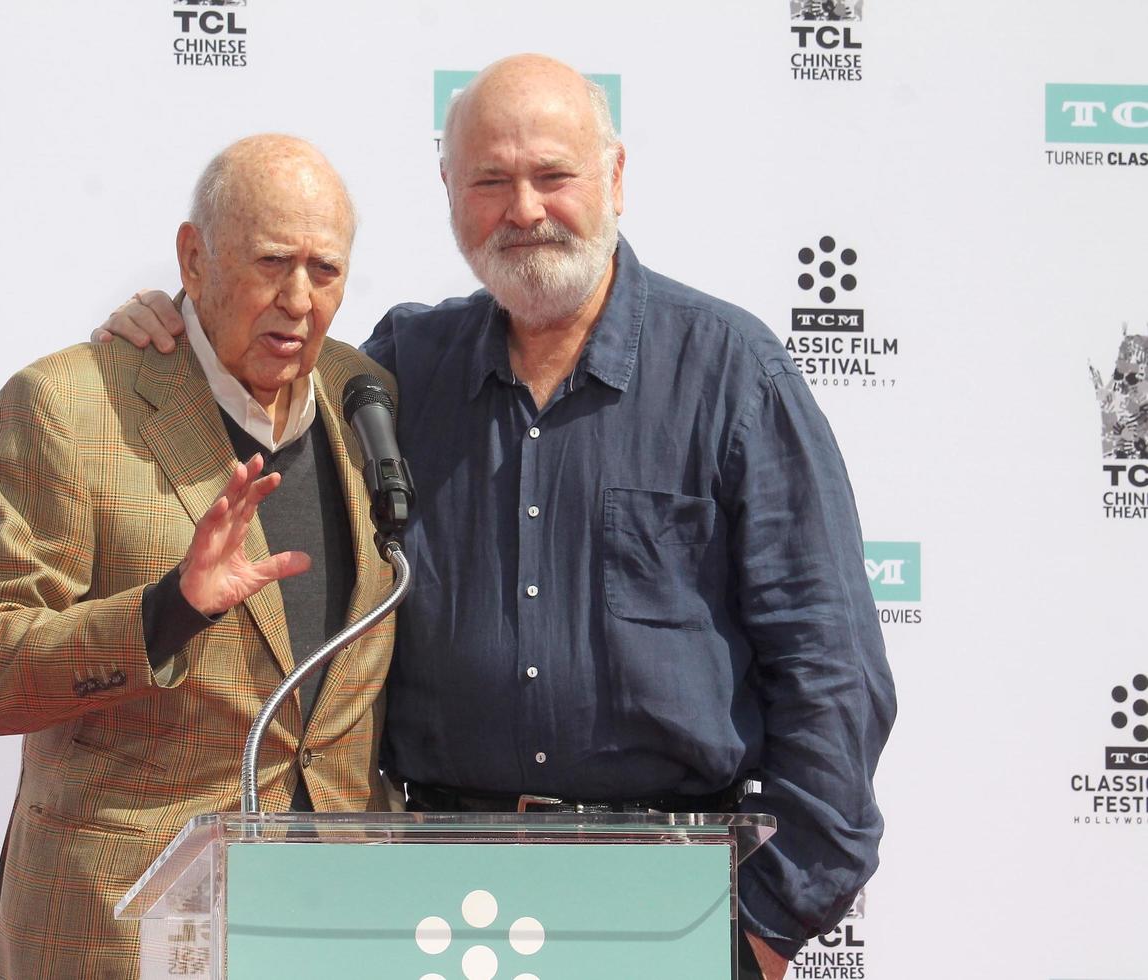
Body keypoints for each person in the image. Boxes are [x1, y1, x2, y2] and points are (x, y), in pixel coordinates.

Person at [95, 54, 896, 980]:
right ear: (448, 191)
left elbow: (833, 674)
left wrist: (756, 930)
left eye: (553, 175)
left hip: (669, 905)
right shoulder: (395, 373)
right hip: (434, 902)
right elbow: (259, 382)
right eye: (489, 181)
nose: (523, 210)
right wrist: (175, 328)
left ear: (615, 179)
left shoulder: (732, 376)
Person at [0, 134, 398, 977]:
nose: (298, 300)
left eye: (325, 270)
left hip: (335, 927)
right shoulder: (69, 406)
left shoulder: (368, 397)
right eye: (268, 262)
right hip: (123, 931)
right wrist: (166, 611)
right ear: (193, 256)